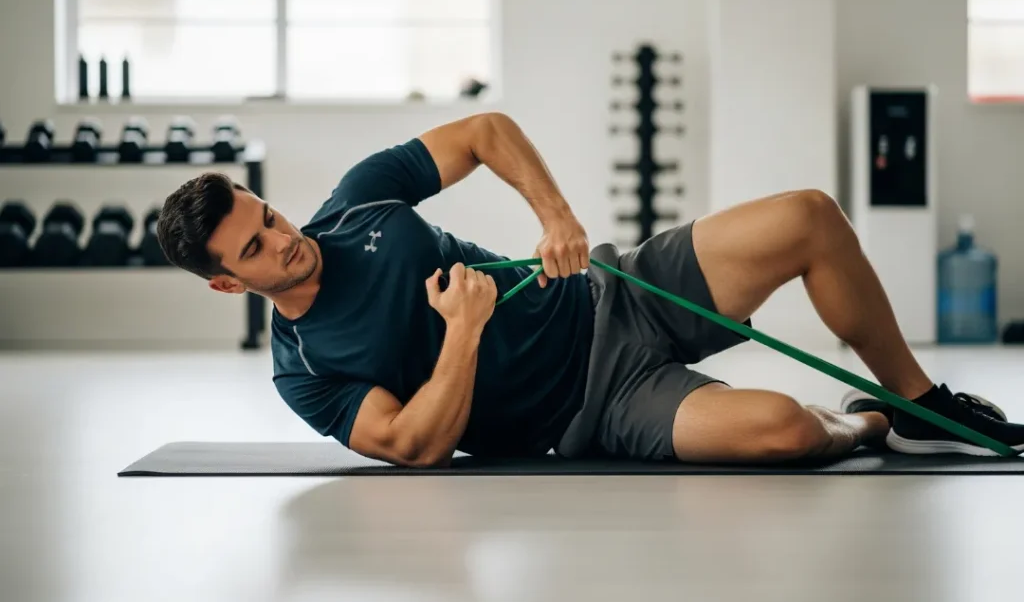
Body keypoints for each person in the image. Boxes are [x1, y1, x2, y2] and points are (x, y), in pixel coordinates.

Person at [156, 112, 1024, 466]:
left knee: (808, 216)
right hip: (596, 407)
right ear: (229, 283)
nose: (287, 238)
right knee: (785, 431)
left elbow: (485, 132)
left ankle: (916, 403)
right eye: (257, 248)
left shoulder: (357, 203)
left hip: (613, 288)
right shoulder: (304, 367)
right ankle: (868, 421)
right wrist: (463, 331)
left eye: (269, 214)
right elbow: (414, 445)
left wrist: (556, 218)